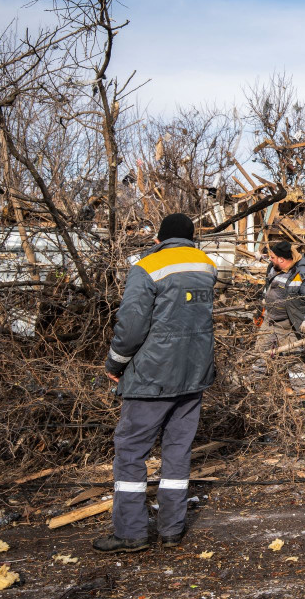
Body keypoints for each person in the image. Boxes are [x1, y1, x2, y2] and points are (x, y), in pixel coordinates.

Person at [93, 213, 217, 554]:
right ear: (191, 238)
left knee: (131, 452)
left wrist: (115, 363)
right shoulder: (206, 265)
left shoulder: (147, 266)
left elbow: (131, 326)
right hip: (194, 375)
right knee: (178, 451)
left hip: (152, 376)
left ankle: (131, 533)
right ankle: (172, 529)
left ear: (159, 238)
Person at [254, 240, 305, 352]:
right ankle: (258, 369)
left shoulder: (300, 274)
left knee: (292, 360)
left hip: (288, 326)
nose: (270, 259)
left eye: (272, 257)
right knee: (260, 355)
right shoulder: (274, 268)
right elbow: (270, 284)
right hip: (269, 321)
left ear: (281, 259)